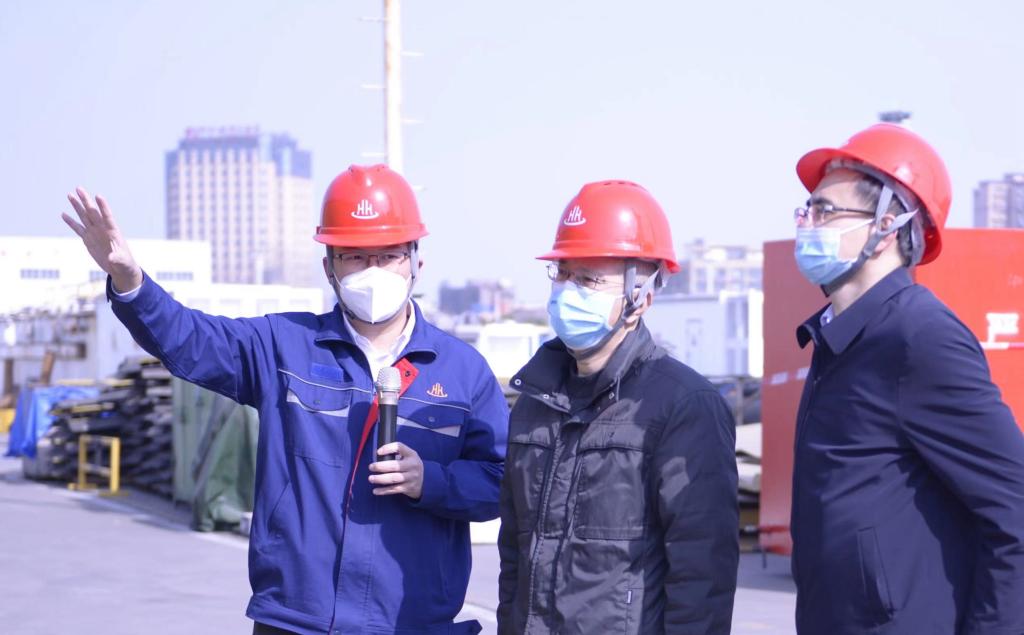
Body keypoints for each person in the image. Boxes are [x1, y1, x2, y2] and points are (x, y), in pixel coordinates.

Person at [62, 164, 509, 635]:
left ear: (416, 262)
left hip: (412, 625)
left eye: (388, 256)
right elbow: (188, 339)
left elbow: (501, 484)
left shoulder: (463, 372)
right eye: (355, 257)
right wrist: (130, 281)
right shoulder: (284, 346)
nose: (373, 271)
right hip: (296, 621)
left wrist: (429, 480)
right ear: (329, 267)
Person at [790, 123, 1024, 633]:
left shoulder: (919, 337)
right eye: (806, 210)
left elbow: (1015, 506)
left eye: (825, 211)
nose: (807, 224)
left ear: (887, 227)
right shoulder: (838, 337)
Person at [496, 180, 739, 634]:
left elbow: (702, 574)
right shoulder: (533, 403)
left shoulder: (683, 406)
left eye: (589, 280)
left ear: (642, 296)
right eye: (563, 274)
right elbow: (514, 557)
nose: (568, 291)